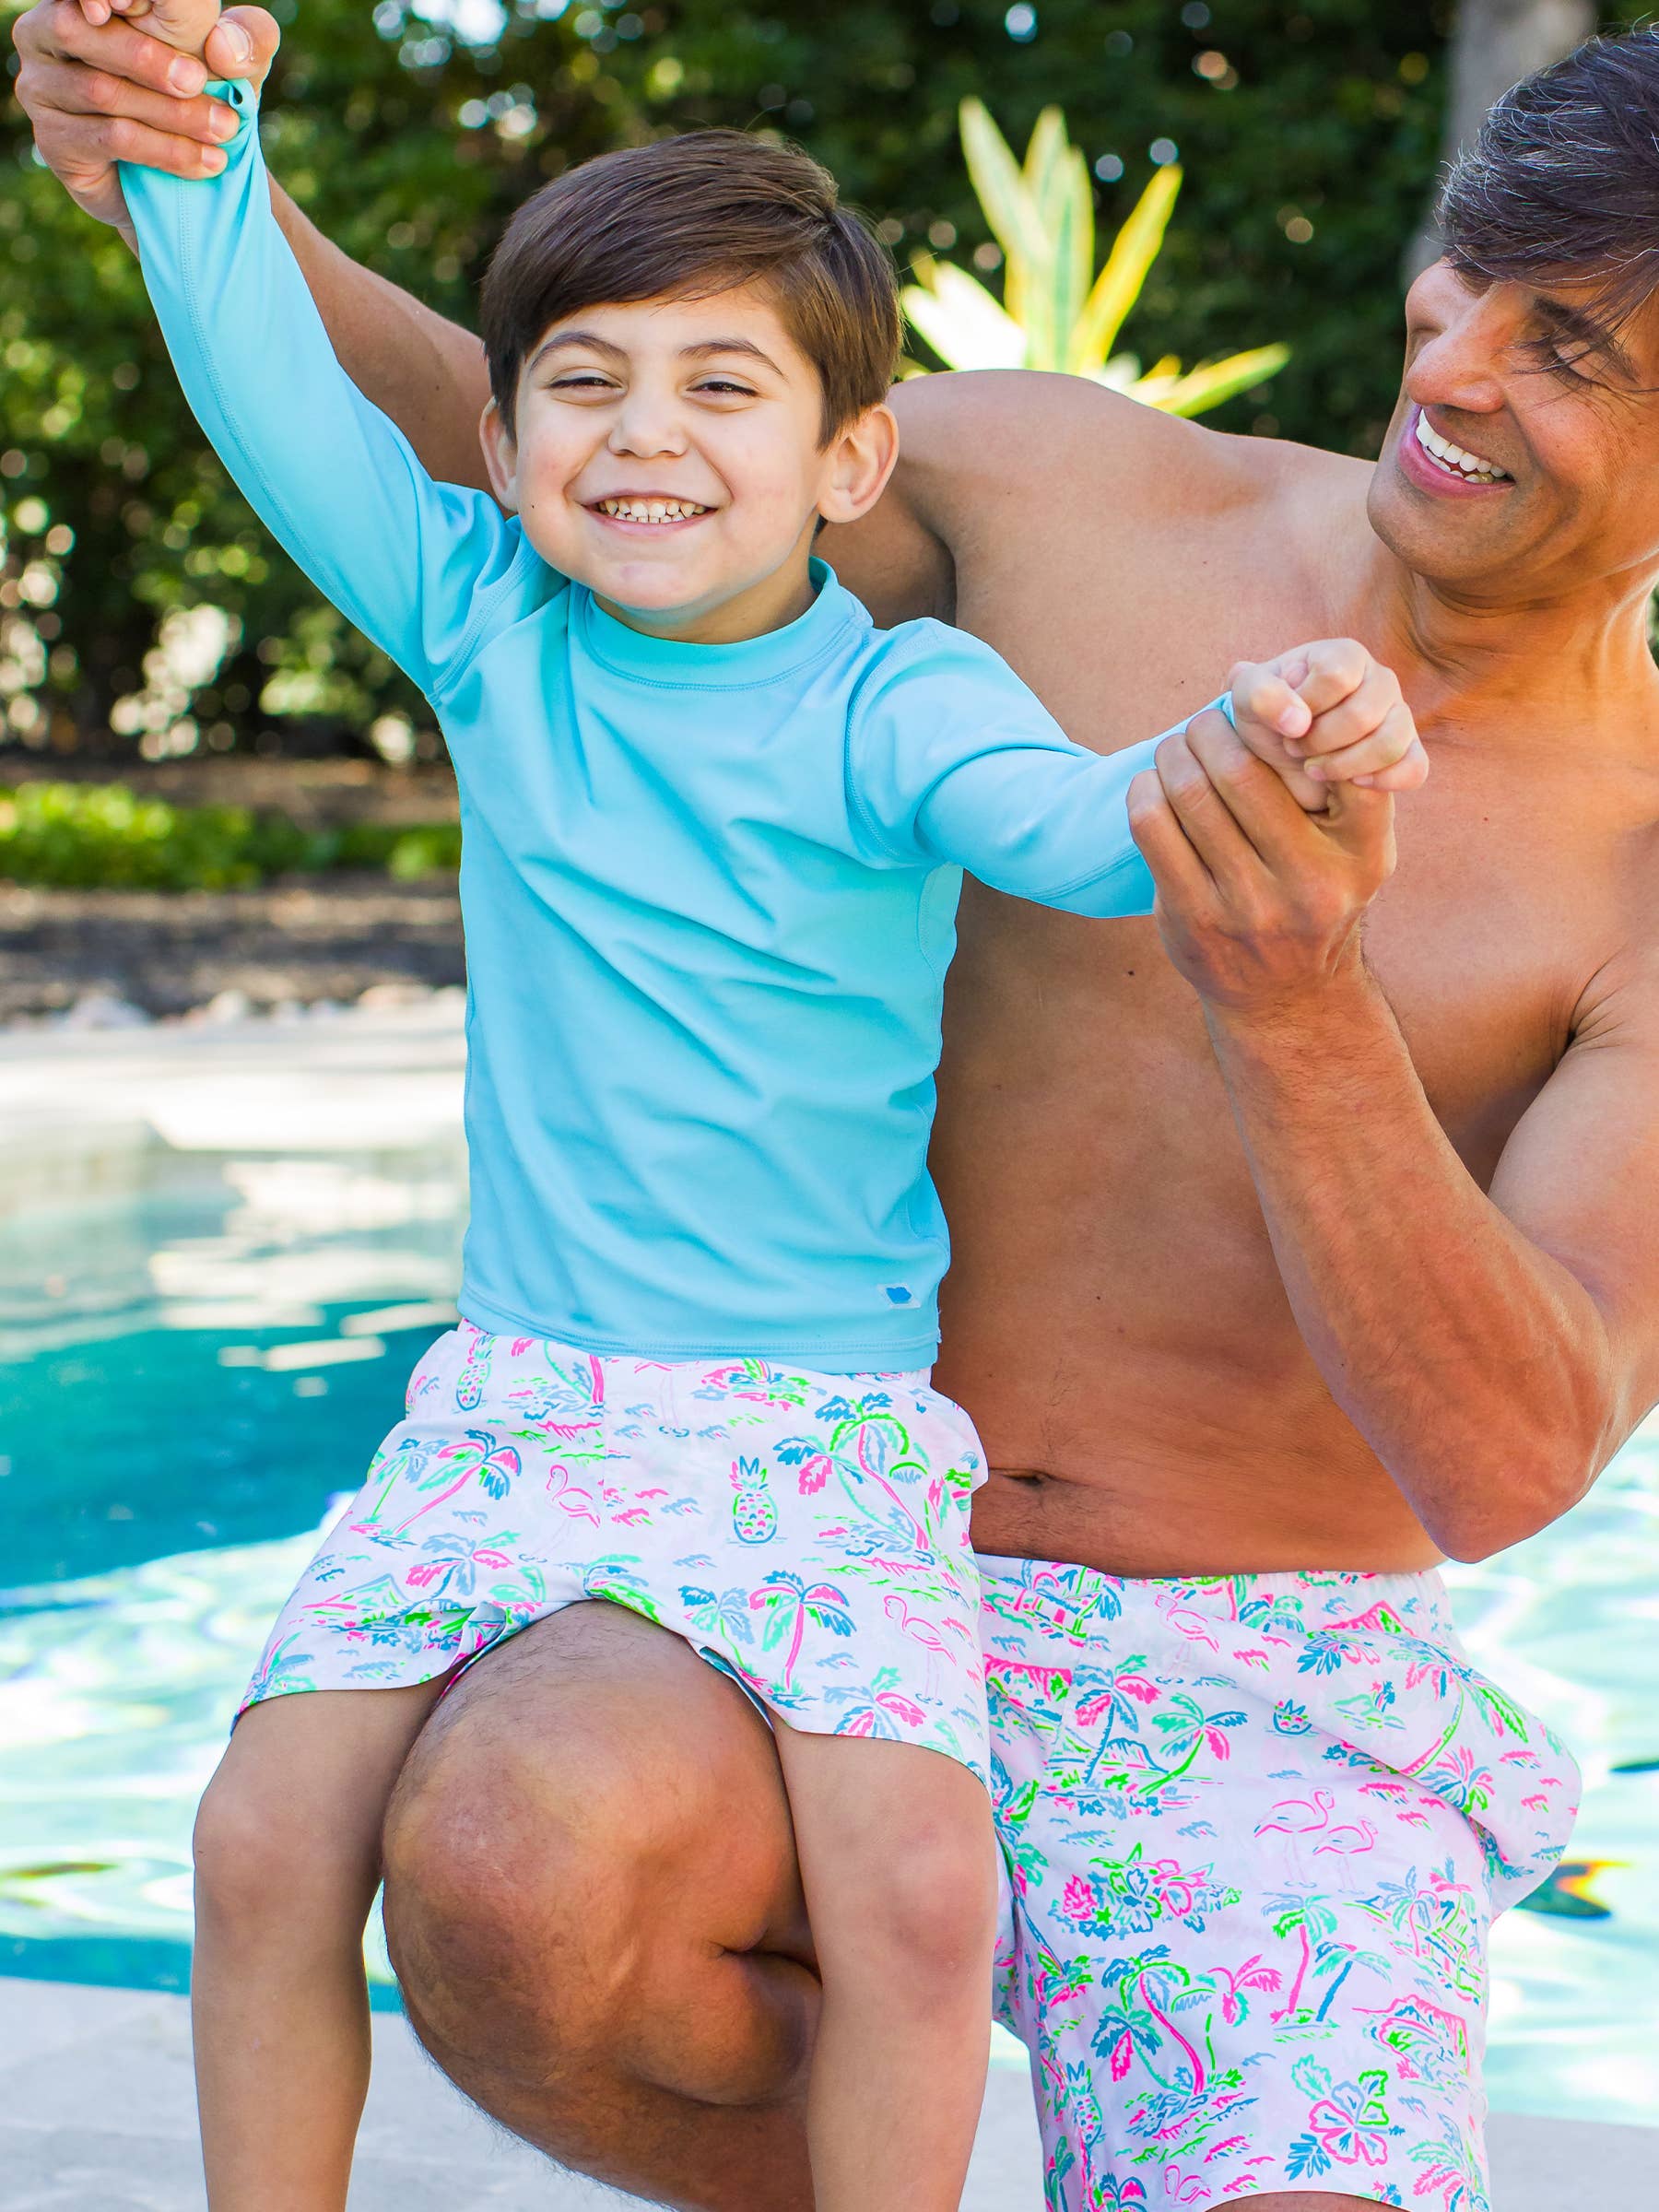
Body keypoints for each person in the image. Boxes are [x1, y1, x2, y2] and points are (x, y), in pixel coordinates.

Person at [18, 8, 1659, 2209]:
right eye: (1467, 284)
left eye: (1579, 353)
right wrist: (200, 172)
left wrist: (1294, 1003)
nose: (1458, 371)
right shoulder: (1064, 489)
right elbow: (608, 460)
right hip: (770, 1503)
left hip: (1255, 1670)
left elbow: (1505, 1458)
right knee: (502, 1868)